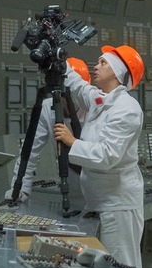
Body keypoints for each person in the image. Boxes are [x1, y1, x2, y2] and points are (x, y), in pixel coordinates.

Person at [53, 44, 145, 268]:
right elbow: (78, 86)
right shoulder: (101, 101)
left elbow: (107, 156)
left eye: (103, 63)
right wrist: (58, 58)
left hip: (117, 206)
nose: (96, 66)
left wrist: (72, 142)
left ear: (117, 72)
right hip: (101, 202)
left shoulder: (126, 109)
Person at [5, 57, 90, 203]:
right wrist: (20, 188)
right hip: (71, 184)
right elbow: (30, 151)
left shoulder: (94, 108)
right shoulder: (47, 108)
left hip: (97, 182)